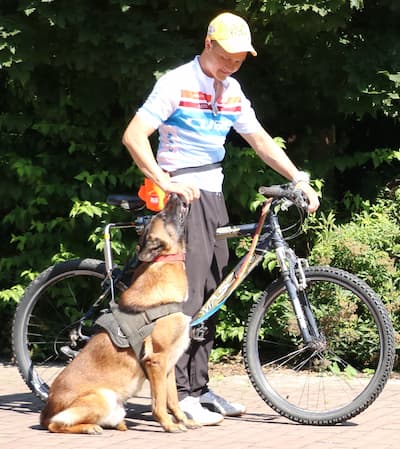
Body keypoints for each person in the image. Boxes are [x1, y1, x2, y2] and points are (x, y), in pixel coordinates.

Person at [122, 12, 320, 426]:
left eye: (240, 58)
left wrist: (298, 177)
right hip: (180, 196)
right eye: (228, 55)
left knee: (213, 289)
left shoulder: (231, 89)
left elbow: (259, 139)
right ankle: (180, 392)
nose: (234, 64)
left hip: (212, 194)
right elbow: (134, 135)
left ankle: (199, 387)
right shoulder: (176, 82)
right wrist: (164, 179)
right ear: (208, 44)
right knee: (188, 296)